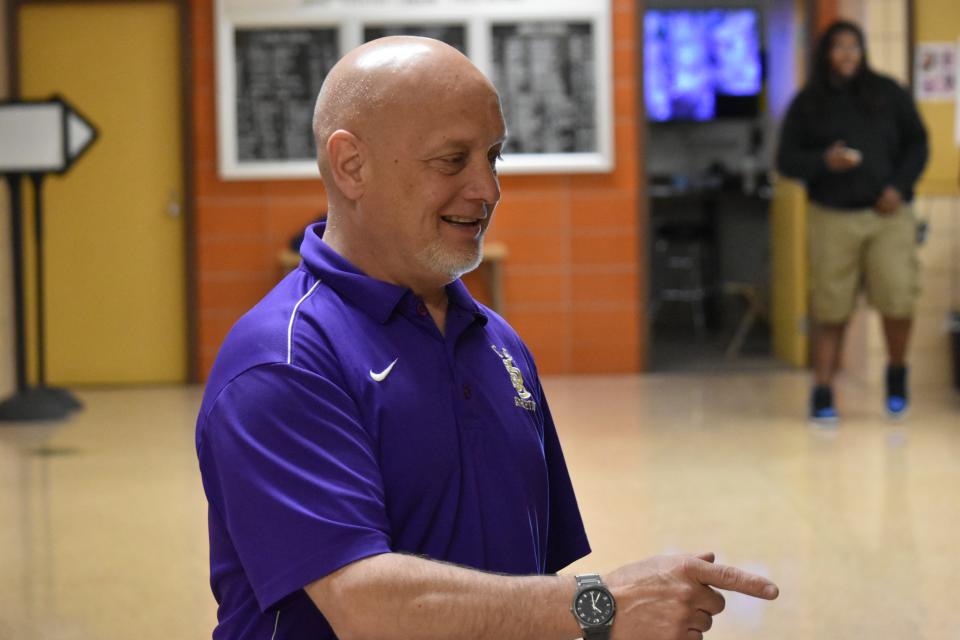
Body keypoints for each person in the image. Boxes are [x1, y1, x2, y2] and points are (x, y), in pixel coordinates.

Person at [196, 36, 779, 639]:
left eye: (492, 156)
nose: (488, 189)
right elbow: (363, 605)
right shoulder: (283, 360)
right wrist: (602, 606)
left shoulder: (497, 345)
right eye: (452, 160)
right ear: (351, 166)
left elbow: (523, 591)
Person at [777, 20, 928, 423]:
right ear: (826, 53)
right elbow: (785, 160)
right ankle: (823, 390)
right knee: (830, 307)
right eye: (839, 47)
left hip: (888, 214)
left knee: (898, 298)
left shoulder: (888, 92)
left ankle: (896, 376)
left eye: (854, 47)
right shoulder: (809, 103)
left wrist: (899, 186)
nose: (847, 55)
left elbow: (919, 143)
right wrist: (823, 162)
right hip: (833, 215)